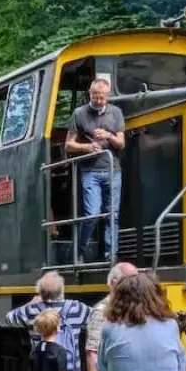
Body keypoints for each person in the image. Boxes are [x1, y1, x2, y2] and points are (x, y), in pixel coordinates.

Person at [65, 78, 125, 263]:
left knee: (112, 216)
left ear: (107, 96)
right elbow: (68, 145)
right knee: (92, 214)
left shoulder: (116, 113)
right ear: (89, 94)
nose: (99, 101)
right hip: (90, 172)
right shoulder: (79, 113)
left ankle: (110, 258)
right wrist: (86, 148)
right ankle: (79, 251)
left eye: (102, 98)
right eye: (96, 97)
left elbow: (121, 143)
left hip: (113, 171)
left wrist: (108, 135)